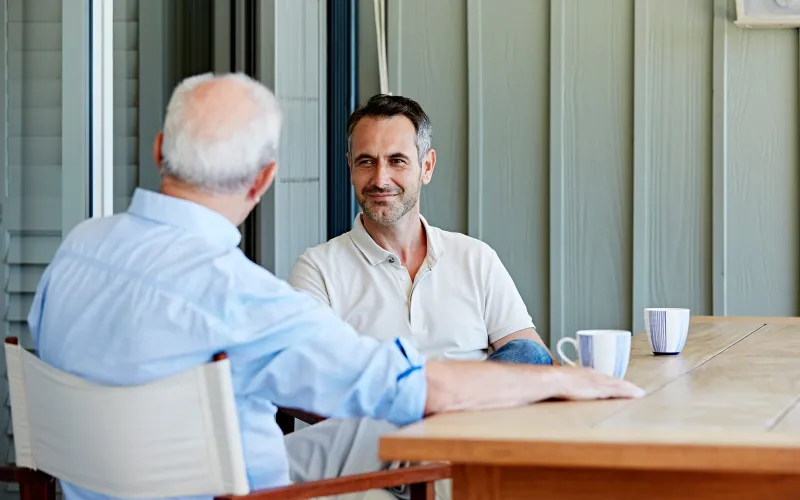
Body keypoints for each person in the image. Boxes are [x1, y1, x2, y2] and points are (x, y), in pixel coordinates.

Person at [28, 73, 643, 500]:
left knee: (382, 433)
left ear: (162, 150)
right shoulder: (244, 298)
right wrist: (565, 376)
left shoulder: (76, 251)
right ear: (264, 179)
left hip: (113, 487)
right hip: (241, 494)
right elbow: (407, 389)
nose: (381, 178)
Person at [290, 94, 552, 365]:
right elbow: (308, 385)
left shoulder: (476, 258)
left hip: (476, 406)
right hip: (384, 405)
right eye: (366, 162)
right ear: (350, 167)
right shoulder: (317, 269)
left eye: (397, 161)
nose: (380, 180)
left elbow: (536, 362)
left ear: (426, 167)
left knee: (529, 353)